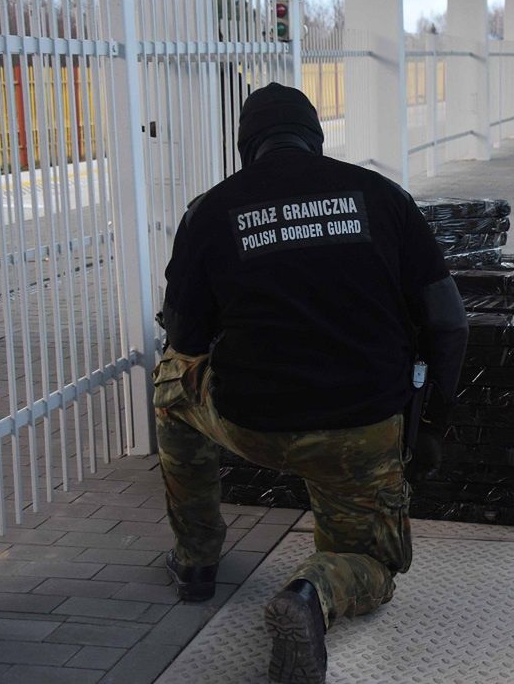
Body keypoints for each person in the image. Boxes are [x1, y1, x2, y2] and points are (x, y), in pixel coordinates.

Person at [155, 83, 467, 683]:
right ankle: (308, 594)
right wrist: (431, 426)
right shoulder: (384, 198)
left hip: (251, 423)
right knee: (371, 564)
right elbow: (449, 324)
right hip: (362, 431)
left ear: (246, 146)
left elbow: (185, 343)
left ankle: (195, 560)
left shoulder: (211, 210)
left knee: (171, 385)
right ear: (317, 139)